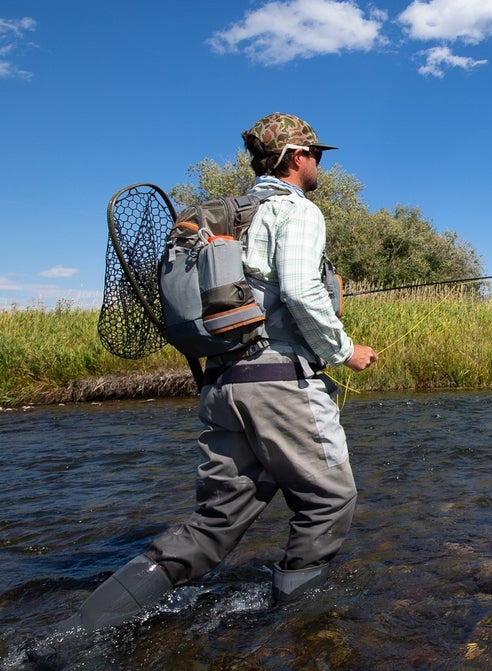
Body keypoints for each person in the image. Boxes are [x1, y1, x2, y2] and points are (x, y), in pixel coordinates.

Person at [49, 113, 378, 636]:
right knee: (330, 500)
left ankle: (80, 631)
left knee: (215, 522)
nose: (320, 164)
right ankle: (297, 632)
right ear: (297, 158)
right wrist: (343, 351)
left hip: (223, 385)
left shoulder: (228, 218)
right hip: (278, 385)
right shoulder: (296, 210)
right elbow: (299, 289)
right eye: (317, 154)